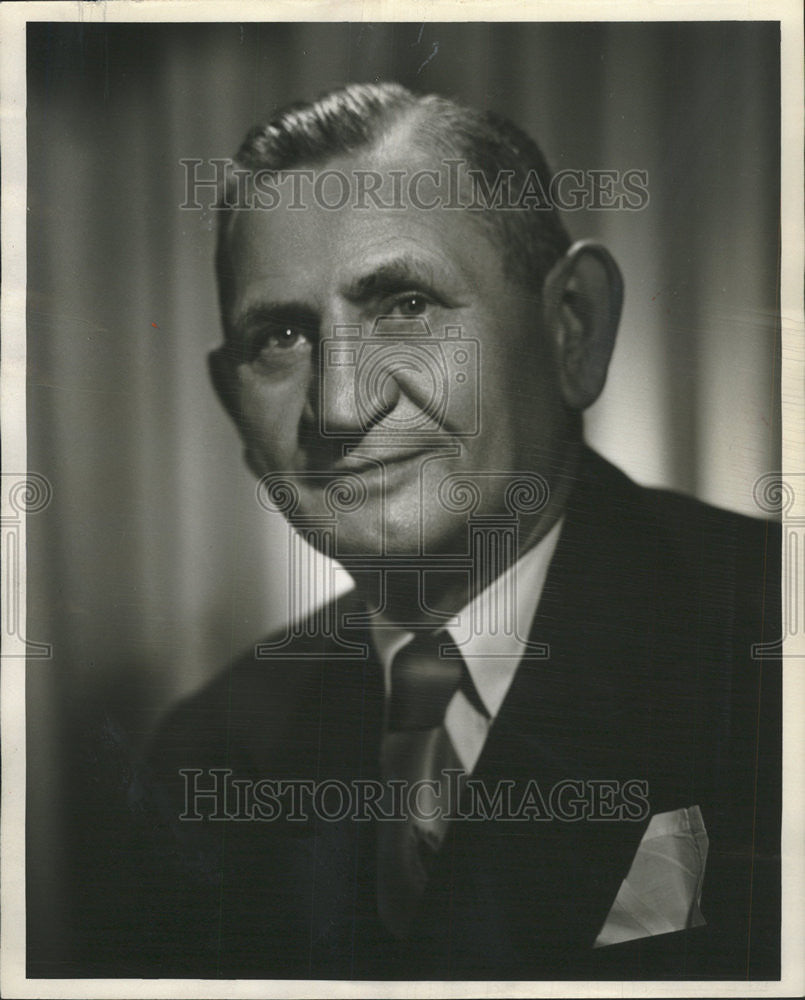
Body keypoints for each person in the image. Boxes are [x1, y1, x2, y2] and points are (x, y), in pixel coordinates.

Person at [95, 82, 781, 981]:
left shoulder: (772, 643)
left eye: (405, 305)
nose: (341, 405)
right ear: (232, 405)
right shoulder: (209, 757)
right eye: (281, 337)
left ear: (572, 328)